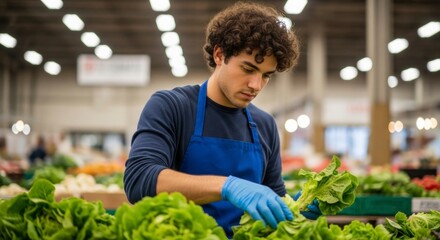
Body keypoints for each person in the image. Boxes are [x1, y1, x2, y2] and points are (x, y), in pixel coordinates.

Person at [124, 1, 320, 237]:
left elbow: (273, 200)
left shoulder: (265, 126)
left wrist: (294, 211)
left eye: (266, 75)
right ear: (219, 54)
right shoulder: (172, 107)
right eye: (248, 69)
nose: (256, 85)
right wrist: (227, 186)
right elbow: (139, 179)